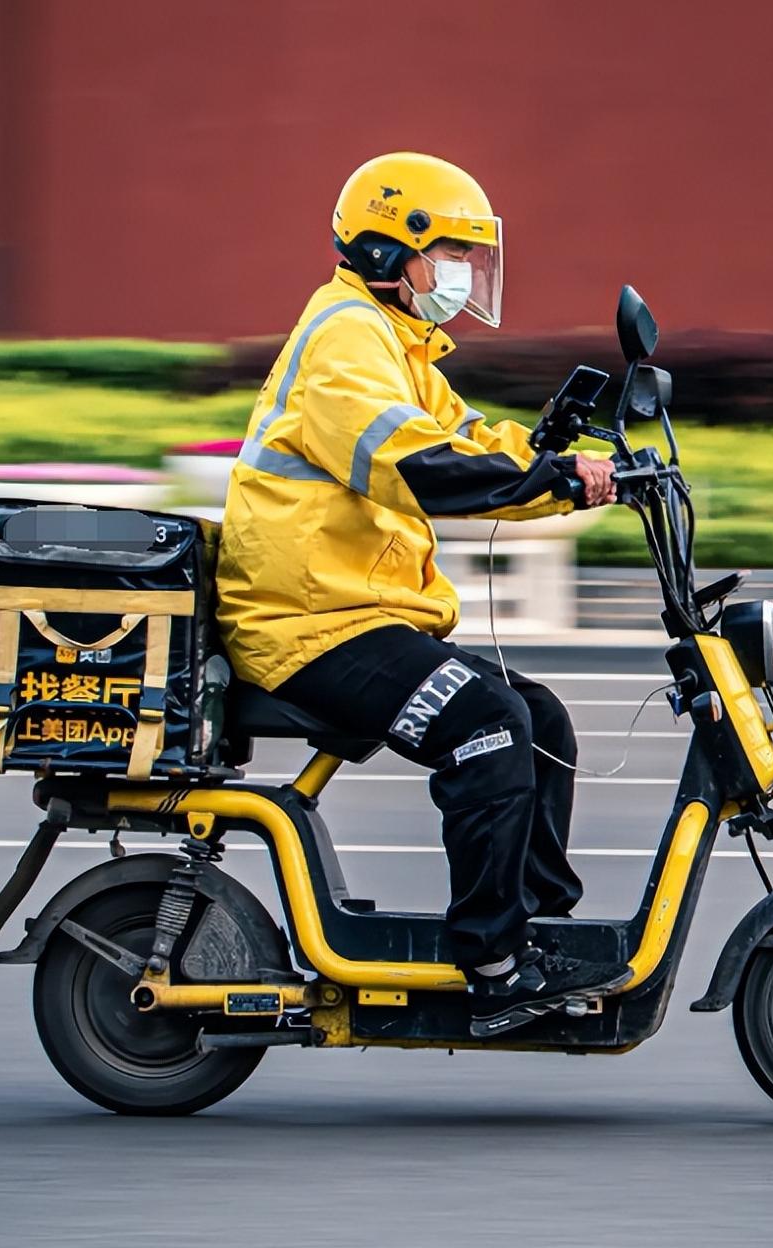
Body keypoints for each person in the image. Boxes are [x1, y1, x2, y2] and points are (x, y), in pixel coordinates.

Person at [216, 152, 631, 1025]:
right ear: (386, 252)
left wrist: (576, 470)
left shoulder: (398, 346)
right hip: (306, 627)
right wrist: (542, 478)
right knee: (487, 725)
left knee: (541, 717)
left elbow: (472, 438)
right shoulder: (345, 339)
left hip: (357, 616)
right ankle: (490, 964)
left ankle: (535, 927)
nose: (461, 276)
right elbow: (413, 463)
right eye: (448, 253)